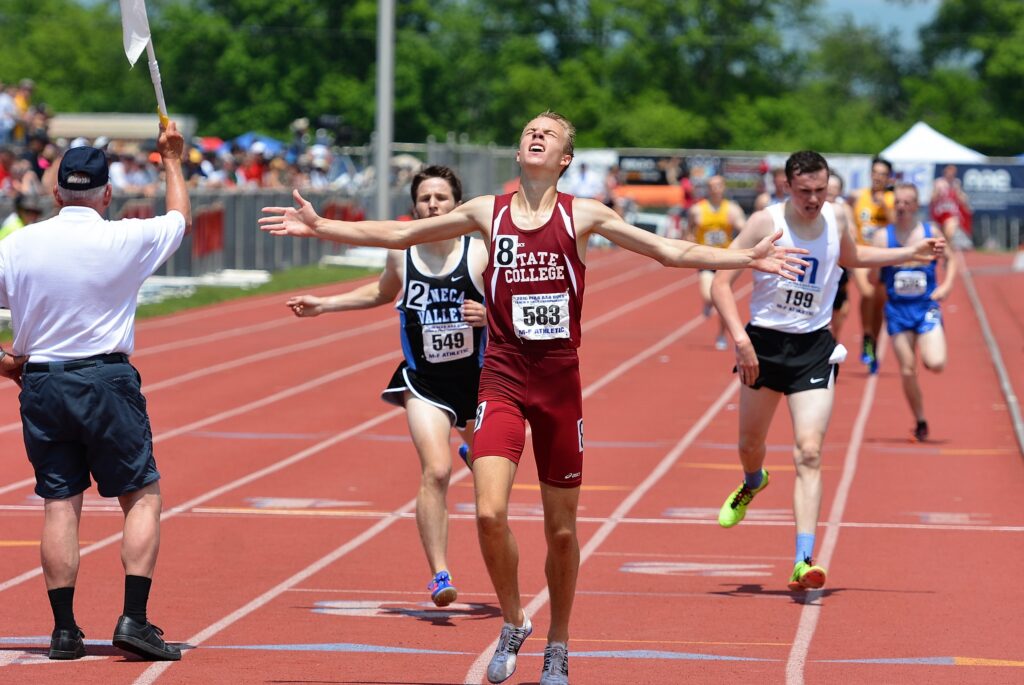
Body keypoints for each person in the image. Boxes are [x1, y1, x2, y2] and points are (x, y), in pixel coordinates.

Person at [261, 111, 808, 685]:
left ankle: (559, 642)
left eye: (548, 134)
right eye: (528, 131)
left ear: (565, 158)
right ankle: (516, 619)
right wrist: (322, 227)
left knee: (562, 531)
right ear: (519, 151)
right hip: (500, 378)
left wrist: (743, 260)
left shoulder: (583, 215)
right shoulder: (485, 213)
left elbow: (667, 250)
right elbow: (398, 235)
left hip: (558, 387)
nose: (535, 135)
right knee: (490, 512)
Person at [0, 122, 191, 661]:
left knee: (60, 504)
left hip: (42, 382)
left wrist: (5, 364)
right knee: (140, 496)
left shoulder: (19, 245)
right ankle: (133, 618)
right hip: (105, 379)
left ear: (56, 192)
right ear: (107, 193)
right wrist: (172, 161)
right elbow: (179, 218)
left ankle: (64, 631)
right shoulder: (124, 236)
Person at [711, 151, 944, 592]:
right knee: (750, 445)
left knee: (810, 452)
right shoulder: (766, 222)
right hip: (763, 345)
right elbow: (721, 281)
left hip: (814, 349)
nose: (814, 199)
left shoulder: (837, 217)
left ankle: (803, 560)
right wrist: (740, 342)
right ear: (787, 187)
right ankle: (752, 481)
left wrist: (908, 252)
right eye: (805, 192)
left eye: (820, 190)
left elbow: (854, 257)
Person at [285, 165, 488, 607]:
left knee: (492, 483)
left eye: (441, 198)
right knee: (436, 471)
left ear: (458, 204)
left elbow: (513, 305)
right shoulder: (404, 252)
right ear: (413, 206)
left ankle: (475, 447)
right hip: (424, 382)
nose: (433, 206)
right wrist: (325, 304)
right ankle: (439, 573)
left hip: (479, 381)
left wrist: (490, 316)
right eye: (425, 199)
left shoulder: (480, 253)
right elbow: (381, 292)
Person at [872, 183, 957, 442]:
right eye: (898, 202)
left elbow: (951, 259)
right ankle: (920, 420)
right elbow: (873, 276)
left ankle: (930, 336)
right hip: (898, 310)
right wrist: (880, 269)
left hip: (925, 307)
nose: (902, 207)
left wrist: (946, 286)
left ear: (916, 205)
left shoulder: (930, 232)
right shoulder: (882, 237)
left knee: (936, 363)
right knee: (908, 369)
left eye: (907, 202)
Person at [685, 175, 746, 349]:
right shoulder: (697, 209)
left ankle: (721, 334)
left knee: (723, 301)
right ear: (708, 188)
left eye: (718, 185)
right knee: (707, 294)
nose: (715, 189)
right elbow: (689, 229)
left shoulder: (732, 209)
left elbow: (744, 226)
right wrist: (688, 242)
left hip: (725, 260)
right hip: (705, 258)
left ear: (724, 187)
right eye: (712, 186)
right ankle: (708, 303)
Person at [852, 156, 895, 373]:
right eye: (875, 172)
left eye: (882, 174)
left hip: (882, 258)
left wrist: (884, 207)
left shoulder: (891, 198)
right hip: (861, 255)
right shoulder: (860, 196)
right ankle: (867, 335)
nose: (878, 177)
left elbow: (897, 223)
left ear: (889, 177)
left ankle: (872, 341)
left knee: (879, 305)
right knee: (867, 293)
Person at [825, 173, 856, 342]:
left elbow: (852, 232)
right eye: (828, 186)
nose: (830, 190)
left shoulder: (843, 209)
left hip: (839, 265)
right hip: (819, 264)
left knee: (838, 305)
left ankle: (834, 337)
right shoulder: (814, 207)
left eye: (834, 187)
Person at [929, 164, 973, 250]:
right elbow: (931, 200)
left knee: (949, 234)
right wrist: (937, 192)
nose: (951, 174)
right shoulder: (938, 183)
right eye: (949, 171)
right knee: (939, 237)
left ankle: (949, 255)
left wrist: (958, 193)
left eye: (953, 172)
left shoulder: (956, 183)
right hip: (939, 212)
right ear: (945, 171)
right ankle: (944, 254)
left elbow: (962, 200)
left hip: (951, 213)